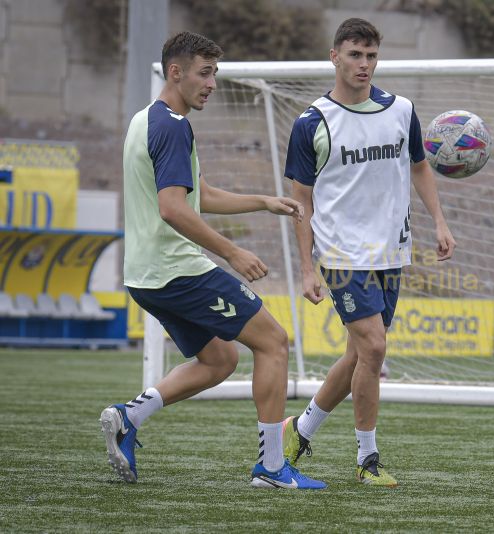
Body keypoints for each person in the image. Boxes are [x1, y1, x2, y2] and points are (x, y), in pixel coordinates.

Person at [99, 31, 325, 490]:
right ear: (175, 72)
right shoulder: (172, 125)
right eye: (205, 73)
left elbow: (197, 196)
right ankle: (272, 468)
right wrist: (232, 251)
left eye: (215, 74)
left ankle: (128, 417)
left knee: (220, 359)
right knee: (274, 342)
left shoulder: (147, 120)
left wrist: (263, 200)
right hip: (176, 270)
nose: (213, 84)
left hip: (146, 275)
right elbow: (172, 208)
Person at [284, 18, 456, 487]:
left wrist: (439, 221)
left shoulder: (401, 109)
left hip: (391, 252)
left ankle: (298, 432)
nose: (364, 64)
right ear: (334, 57)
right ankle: (367, 459)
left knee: (360, 355)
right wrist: (305, 267)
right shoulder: (312, 122)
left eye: (372, 55)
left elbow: (420, 166)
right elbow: (301, 199)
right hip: (340, 254)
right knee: (375, 348)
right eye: (355, 54)